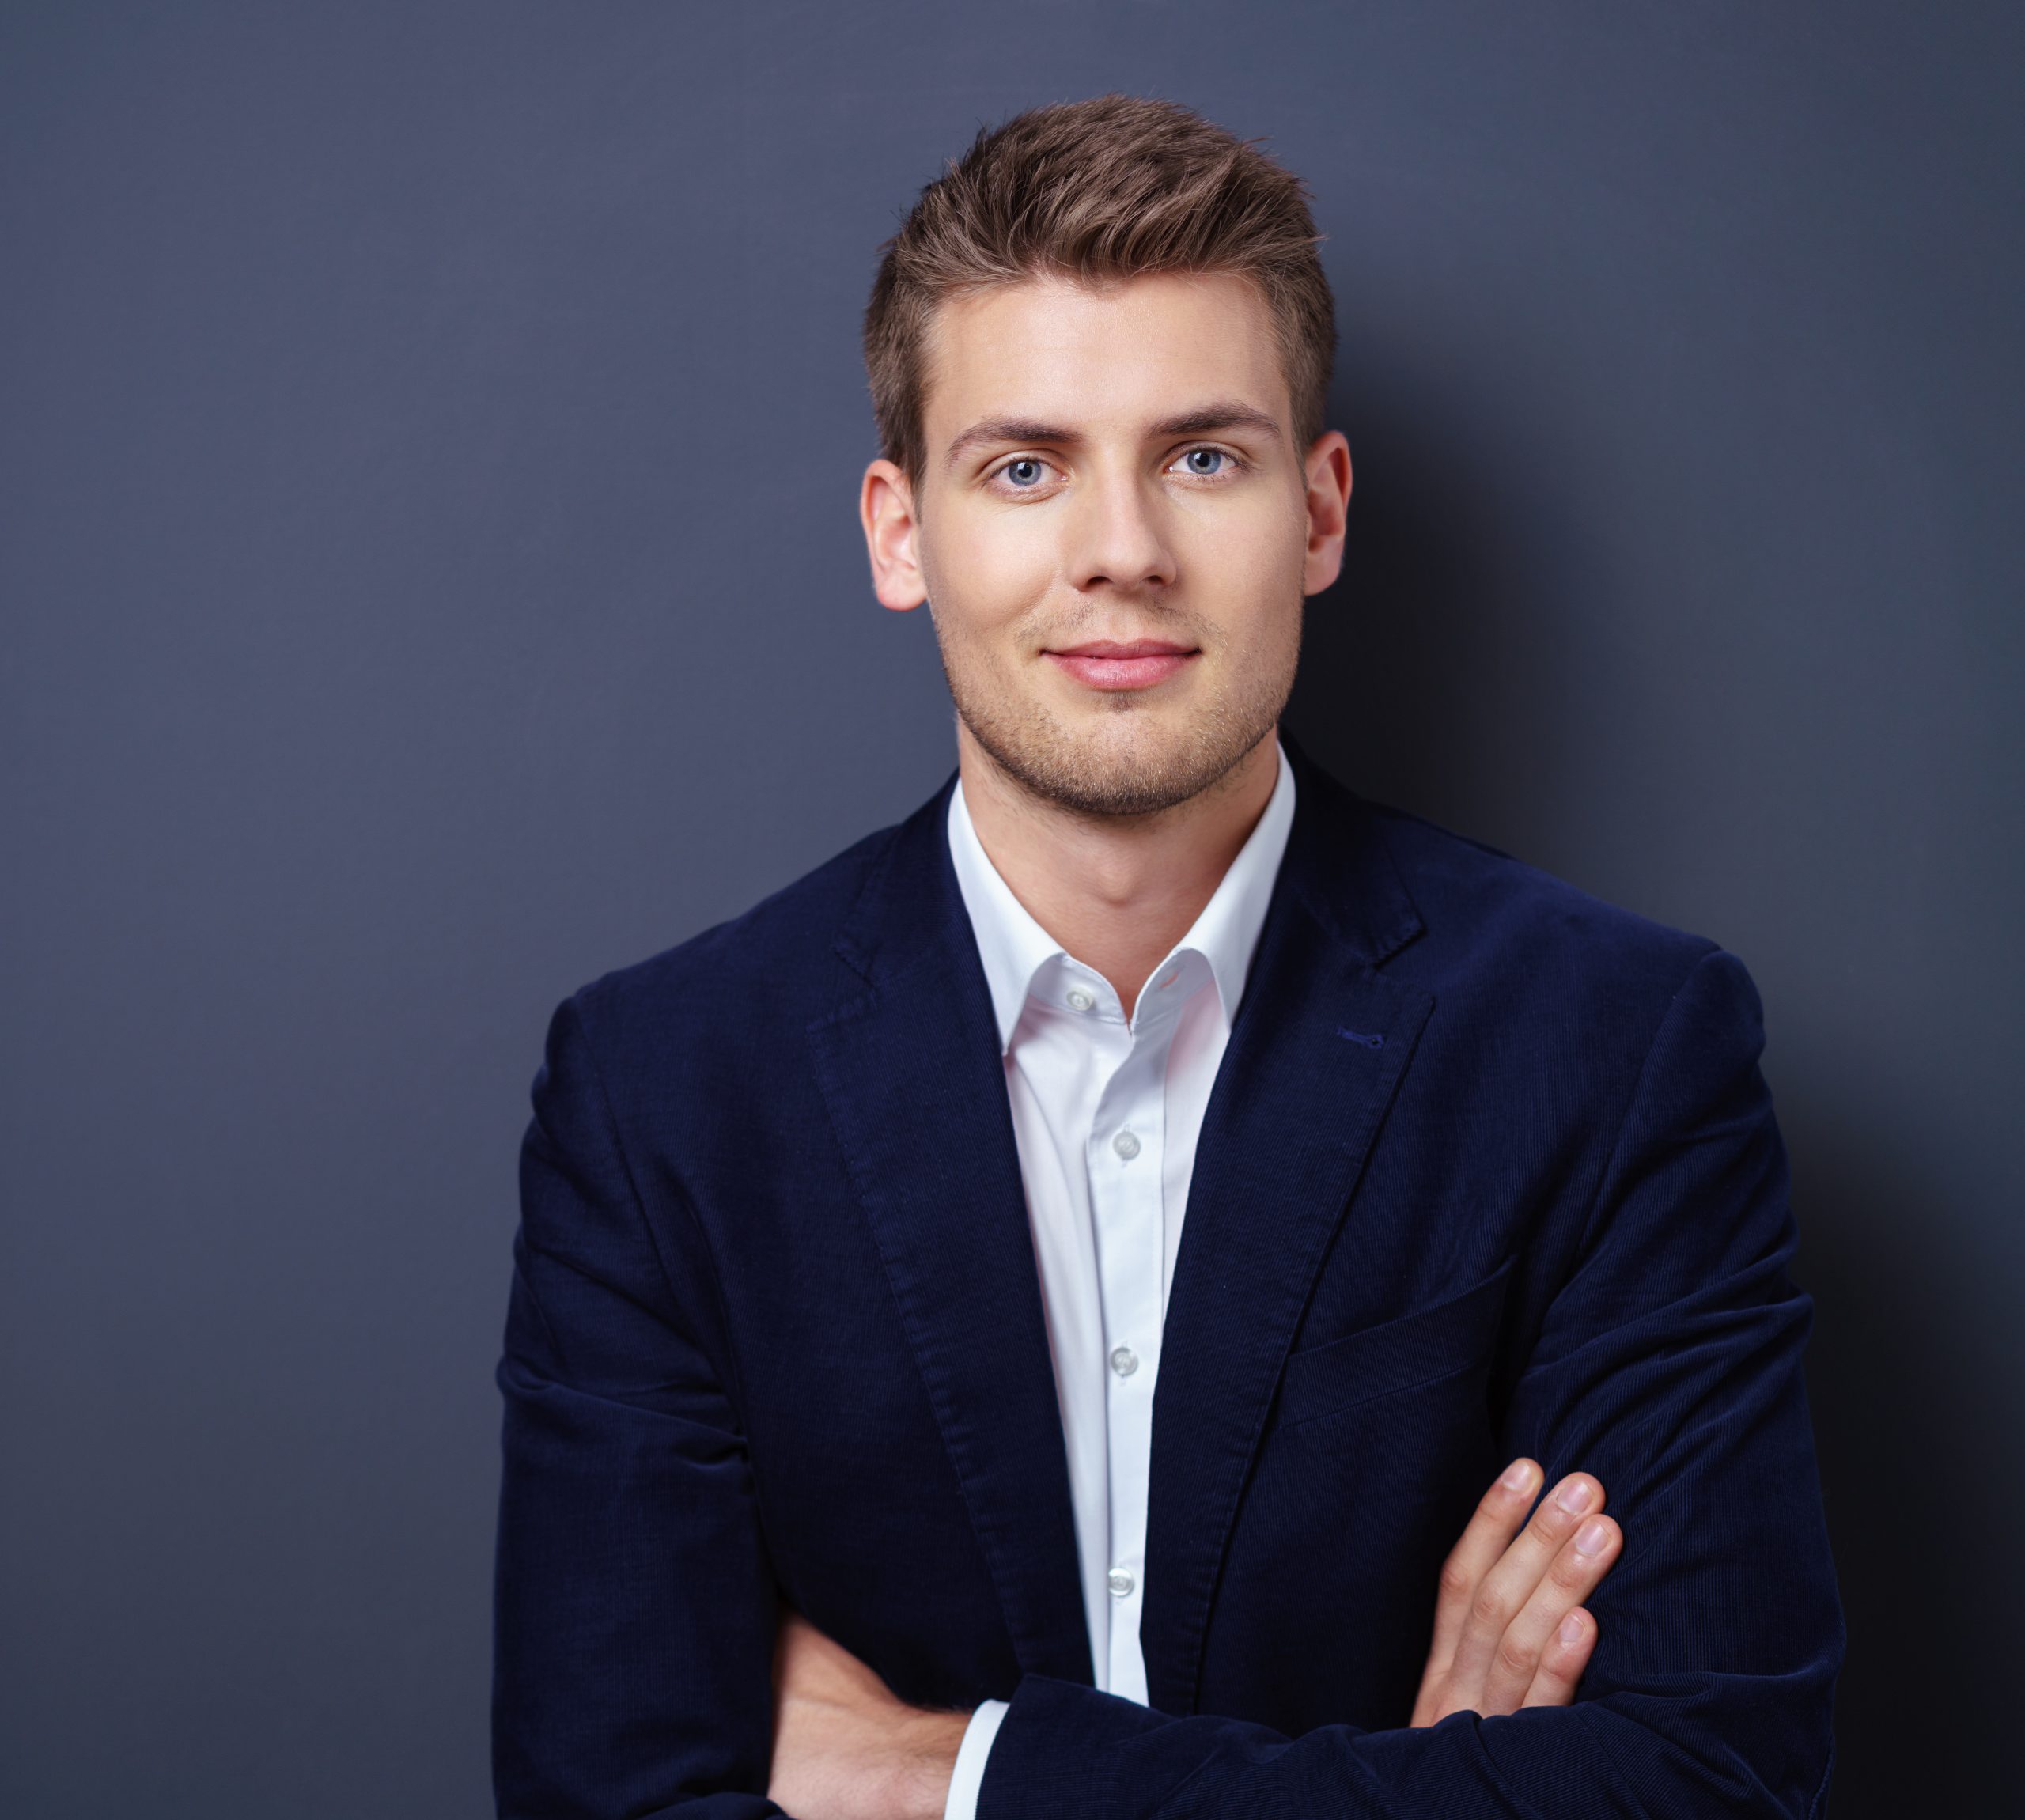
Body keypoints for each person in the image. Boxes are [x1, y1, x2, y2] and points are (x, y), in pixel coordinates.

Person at [491, 95, 1841, 1820]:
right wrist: (1412, 1787)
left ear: (1318, 511)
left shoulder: (1616, 1048)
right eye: (1023, 465)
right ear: (901, 532)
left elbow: (1700, 1787)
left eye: (1202, 455)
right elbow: (604, 1799)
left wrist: (950, 1771)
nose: (1118, 548)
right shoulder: (661, 1094)